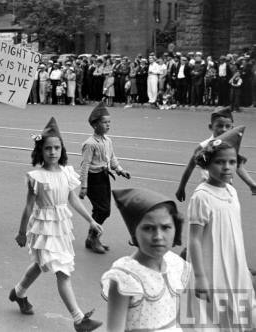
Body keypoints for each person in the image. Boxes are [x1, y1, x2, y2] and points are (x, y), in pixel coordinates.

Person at [10, 117, 103, 332]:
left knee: (40, 265)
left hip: (61, 226)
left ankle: (18, 292)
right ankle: (79, 320)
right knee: (62, 271)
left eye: (57, 147)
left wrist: (91, 220)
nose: (53, 152)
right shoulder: (37, 176)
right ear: (40, 151)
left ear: (62, 149)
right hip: (43, 227)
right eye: (48, 148)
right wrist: (21, 232)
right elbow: (28, 207)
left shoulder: (67, 172)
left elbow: (73, 199)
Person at [186, 126, 256, 329]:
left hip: (233, 261)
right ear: (207, 165)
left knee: (238, 309)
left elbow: (234, 233)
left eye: (232, 162)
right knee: (212, 316)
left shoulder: (232, 192)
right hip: (212, 265)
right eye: (220, 162)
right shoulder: (202, 196)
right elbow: (194, 239)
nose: (227, 167)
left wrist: (242, 265)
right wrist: (199, 276)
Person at [102, 188, 190, 332]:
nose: (158, 236)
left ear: (176, 229)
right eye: (148, 228)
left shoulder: (177, 264)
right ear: (134, 231)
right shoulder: (125, 277)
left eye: (166, 227)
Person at [79, 102, 131, 254]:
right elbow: (85, 165)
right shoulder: (90, 144)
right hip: (93, 179)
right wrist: (84, 186)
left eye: (109, 122)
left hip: (104, 178)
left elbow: (112, 158)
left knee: (102, 210)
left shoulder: (108, 141)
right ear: (95, 125)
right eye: (104, 122)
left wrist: (120, 170)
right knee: (102, 210)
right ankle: (93, 238)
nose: (108, 125)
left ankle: (92, 237)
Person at [175, 107, 256, 201]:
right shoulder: (204, 146)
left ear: (232, 128)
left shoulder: (230, 146)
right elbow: (190, 167)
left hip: (226, 187)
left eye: (227, 126)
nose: (224, 129)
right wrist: (181, 187)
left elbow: (238, 166)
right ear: (211, 127)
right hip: (208, 187)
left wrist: (251, 184)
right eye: (220, 126)